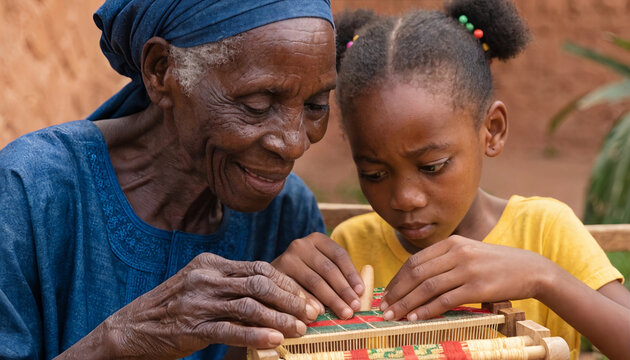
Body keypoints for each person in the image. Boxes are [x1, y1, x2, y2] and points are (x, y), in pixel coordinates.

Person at [0, 0, 367, 359]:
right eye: (257, 105)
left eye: (316, 105)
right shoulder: (29, 192)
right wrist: (121, 341)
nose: (293, 143)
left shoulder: (287, 215)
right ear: (161, 71)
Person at [272, 0, 630, 359]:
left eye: (432, 166)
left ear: (492, 131)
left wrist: (542, 277)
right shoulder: (354, 248)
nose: (405, 198)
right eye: (373, 174)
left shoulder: (544, 233)